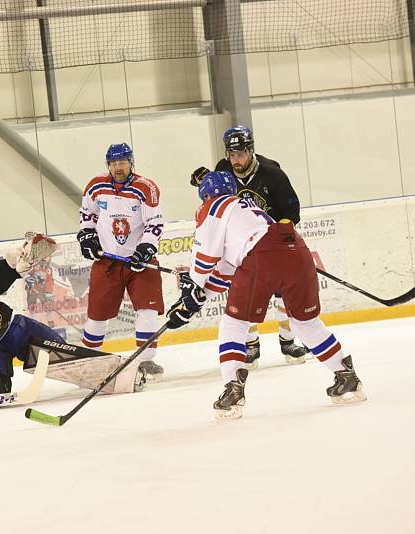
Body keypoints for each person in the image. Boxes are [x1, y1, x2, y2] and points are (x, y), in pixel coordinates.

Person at [166, 171, 367, 420]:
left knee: (234, 324)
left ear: (205, 194)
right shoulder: (246, 209)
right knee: (306, 324)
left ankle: (233, 390)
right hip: (297, 250)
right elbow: (226, 272)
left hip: (262, 257)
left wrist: (191, 291)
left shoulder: (213, 206)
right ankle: (347, 377)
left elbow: (205, 259)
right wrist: (195, 300)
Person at [0, 234, 144, 412]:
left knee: (59, 356)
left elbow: (4, 269)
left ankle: (122, 374)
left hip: (16, 329)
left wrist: (18, 262)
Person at [190, 125, 309, 368]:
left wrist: (280, 237)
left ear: (251, 151)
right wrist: (203, 181)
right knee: (246, 293)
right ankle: (251, 345)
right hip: (243, 249)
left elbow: (291, 212)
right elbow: (216, 199)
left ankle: (287, 341)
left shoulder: (273, 175)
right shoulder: (224, 169)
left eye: (241, 154)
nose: (236, 160)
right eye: (232, 155)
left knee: (283, 294)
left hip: (273, 244)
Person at [76, 143, 166, 380]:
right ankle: (89, 360)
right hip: (107, 261)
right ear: (109, 165)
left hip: (140, 262)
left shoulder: (146, 188)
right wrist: (87, 236)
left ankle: (146, 361)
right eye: (114, 163)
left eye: (122, 162)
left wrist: (146, 249)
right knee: (97, 313)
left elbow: (154, 224)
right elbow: (87, 214)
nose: (118, 167)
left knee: (148, 309)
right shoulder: (96, 186)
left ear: (130, 162)